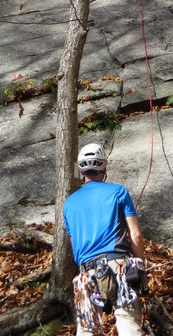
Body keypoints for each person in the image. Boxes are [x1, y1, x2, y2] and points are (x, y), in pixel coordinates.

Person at [63, 143, 145, 335]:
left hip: (87, 272)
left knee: (87, 330)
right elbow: (136, 234)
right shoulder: (118, 192)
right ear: (104, 168)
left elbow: (75, 246)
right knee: (128, 324)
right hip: (120, 268)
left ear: (81, 170)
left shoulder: (69, 204)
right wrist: (141, 264)